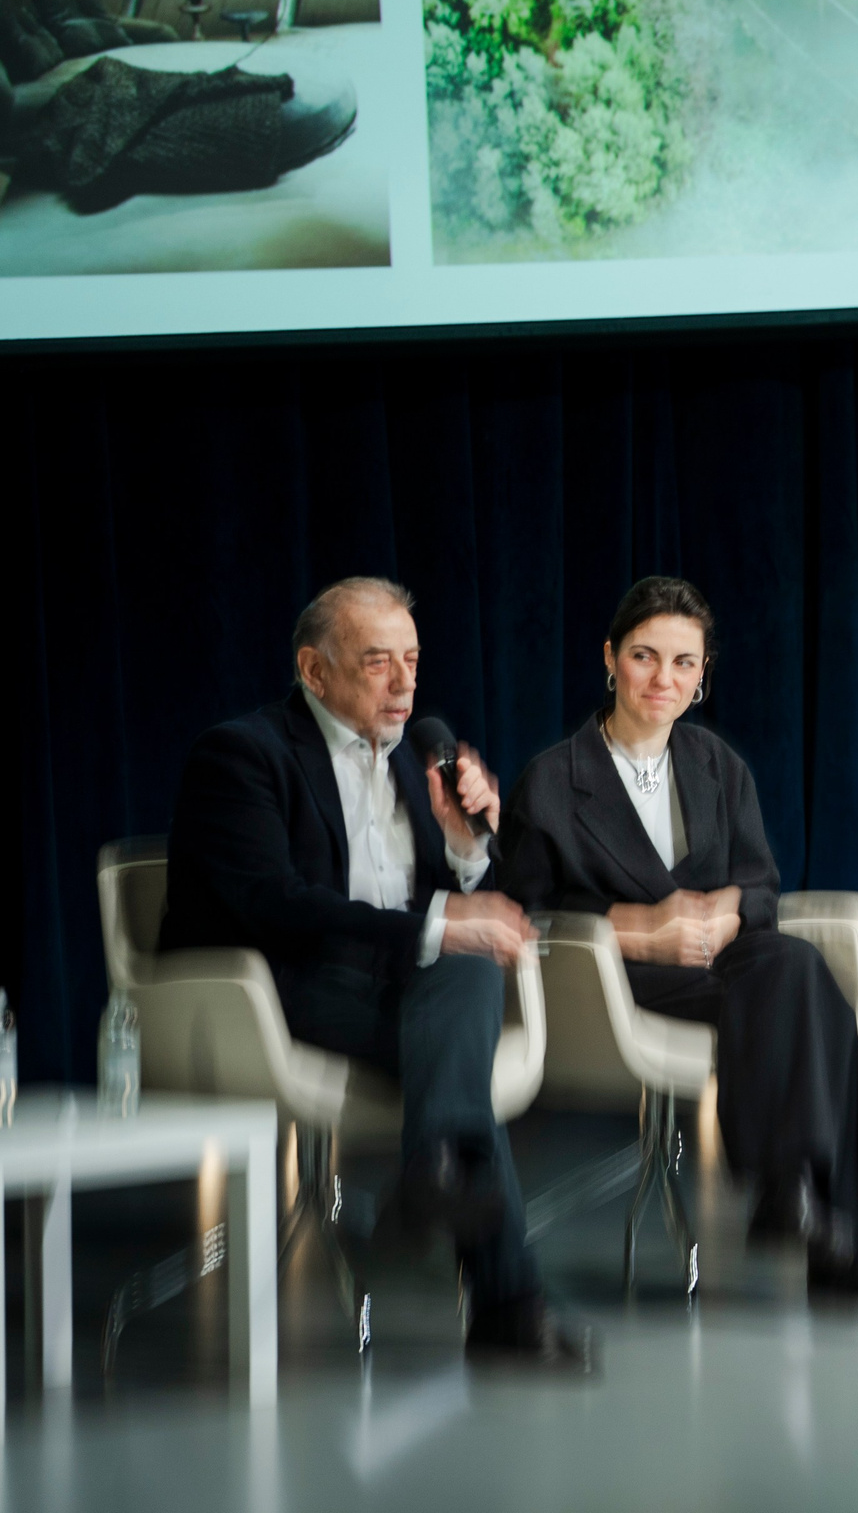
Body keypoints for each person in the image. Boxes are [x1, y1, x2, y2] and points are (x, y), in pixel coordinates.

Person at [160, 577, 590, 1367]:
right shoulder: (242, 754)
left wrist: (465, 849)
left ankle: (435, 1167)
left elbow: (447, 909)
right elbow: (271, 903)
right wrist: (442, 923)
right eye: (377, 662)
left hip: (394, 985)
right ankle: (506, 1302)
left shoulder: (413, 765)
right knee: (458, 1044)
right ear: (314, 671)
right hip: (273, 988)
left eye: (413, 662)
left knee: (465, 976)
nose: (403, 684)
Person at [498, 577, 858, 1298]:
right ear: (610, 658)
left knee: (797, 963)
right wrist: (630, 930)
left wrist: (729, 912)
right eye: (644, 656)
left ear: (702, 677)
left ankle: (798, 1198)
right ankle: (828, 1230)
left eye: (684, 663)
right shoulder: (553, 781)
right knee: (811, 997)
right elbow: (526, 920)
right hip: (615, 983)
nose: (664, 678)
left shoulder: (718, 767)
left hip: (719, 963)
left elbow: (759, 886)